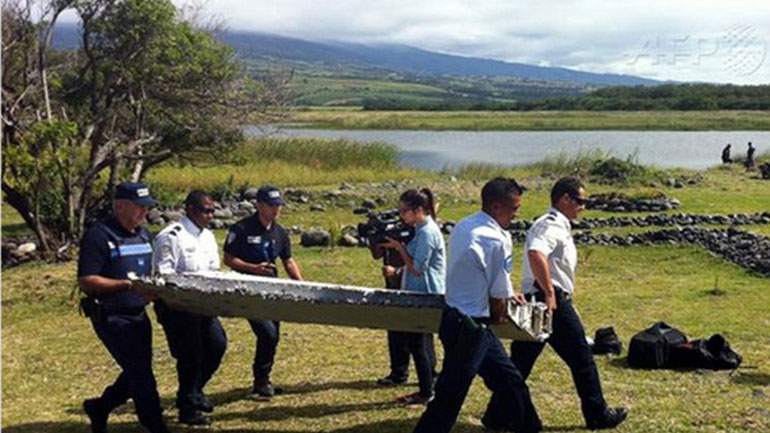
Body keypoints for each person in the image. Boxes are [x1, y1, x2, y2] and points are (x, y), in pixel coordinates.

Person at [413, 177, 542, 433]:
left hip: (453, 318)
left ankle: (529, 427)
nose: (517, 214)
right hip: (473, 327)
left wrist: (504, 293)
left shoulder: (465, 225)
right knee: (449, 396)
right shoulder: (496, 238)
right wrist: (501, 313)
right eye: (514, 208)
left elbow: (478, 273)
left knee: (510, 381)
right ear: (496, 207)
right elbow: (497, 296)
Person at [510, 177, 628, 430]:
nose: (582, 207)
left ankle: (499, 412)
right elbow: (536, 254)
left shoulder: (555, 224)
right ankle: (597, 413)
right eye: (580, 201)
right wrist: (550, 291)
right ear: (565, 199)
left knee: (520, 363)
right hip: (550, 301)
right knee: (582, 359)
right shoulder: (551, 225)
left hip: (538, 299)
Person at [78, 182, 173, 433]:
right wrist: (127, 286)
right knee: (141, 374)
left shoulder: (143, 235)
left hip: (139, 314)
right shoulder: (99, 235)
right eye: (139, 207)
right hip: (112, 316)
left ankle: (100, 406)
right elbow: (87, 281)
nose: (145, 212)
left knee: (138, 369)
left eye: (147, 208)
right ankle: (154, 424)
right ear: (120, 206)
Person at [152, 190, 227, 425]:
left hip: (204, 306)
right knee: (190, 355)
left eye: (213, 210)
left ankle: (193, 391)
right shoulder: (171, 236)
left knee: (216, 346)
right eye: (206, 210)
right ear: (191, 209)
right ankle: (188, 408)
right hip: (178, 307)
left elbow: (213, 271)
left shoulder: (208, 237)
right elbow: (164, 276)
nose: (210, 215)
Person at [224, 185, 303, 398]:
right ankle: (261, 379)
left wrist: (302, 284)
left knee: (274, 335)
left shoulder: (279, 232)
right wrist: (253, 268)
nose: (276, 210)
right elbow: (229, 259)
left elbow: (288, 260)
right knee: (266, 333)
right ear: (259, 205)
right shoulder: (241, 229)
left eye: (278, 205)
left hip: (272, 290)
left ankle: (263, 380)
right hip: (248, 290)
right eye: (271, 205)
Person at [380, 188, 446, 405]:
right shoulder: (420, 229)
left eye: (404, 211)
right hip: (418, 290)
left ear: (418, 210)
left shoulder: (427, 232)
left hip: (426, 292)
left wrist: (399, 248)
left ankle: (427, 392)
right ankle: (427, 389)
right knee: (417, 342)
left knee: (418, 344)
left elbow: (418, 268)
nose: (402, 215)